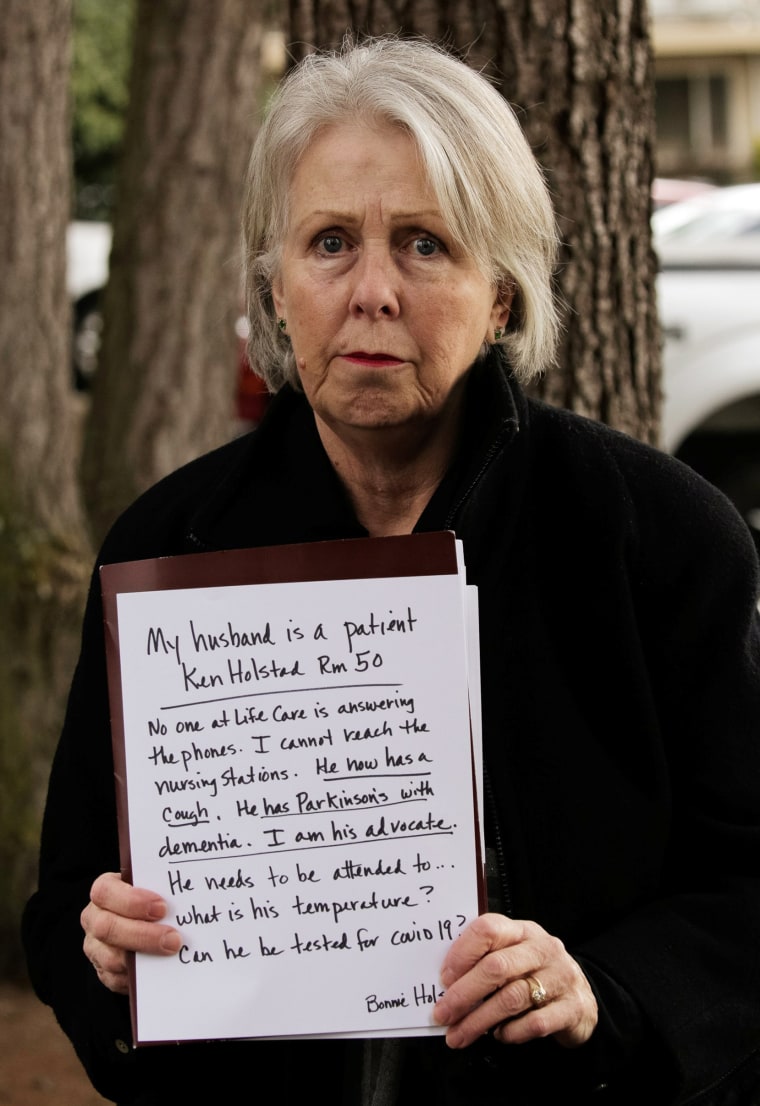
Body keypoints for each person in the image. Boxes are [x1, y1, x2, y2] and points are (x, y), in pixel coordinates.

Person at [22, 36, 760, 1106]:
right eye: (329, 242)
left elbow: (746, 885)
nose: (372, 290)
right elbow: (63, 906)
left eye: (424, 244)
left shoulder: (657, 536)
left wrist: (607, 994)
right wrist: (108, 962)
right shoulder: (168, 547)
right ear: (274, 289)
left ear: (500, 293)